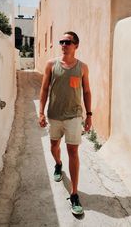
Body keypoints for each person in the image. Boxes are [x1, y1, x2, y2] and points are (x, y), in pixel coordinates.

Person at [39, 31, 92, 215]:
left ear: (76, 45)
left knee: (73, 151)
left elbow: (86, 92)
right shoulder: (51, 65)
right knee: (54, 147)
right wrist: (41, 112)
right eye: (61, 41)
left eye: (68, 42)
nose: (63, 44)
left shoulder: (83, 67)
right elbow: (45, 88)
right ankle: (58, 164)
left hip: (74, 116)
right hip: (54, 114)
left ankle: (74, 193)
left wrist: (89, 115)